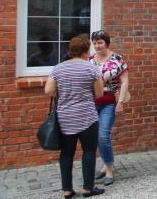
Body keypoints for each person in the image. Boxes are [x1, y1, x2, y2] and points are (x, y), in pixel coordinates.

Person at [44, 35, 105, 198]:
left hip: (65, 118)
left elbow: (48, 91)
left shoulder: (58, 68)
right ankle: (87, 188)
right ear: (86, 51)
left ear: (71, 51)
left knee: (66, 153)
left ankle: (67, 190)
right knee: (89, 152)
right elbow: (99, 93)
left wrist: (64, 93)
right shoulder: (91, 68)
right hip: (87, 117)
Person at [89, 30, 129, 186]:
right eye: (95, 43)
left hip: (109, 102)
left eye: (100, 42)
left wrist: (120, 102)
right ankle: (105, 164)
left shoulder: (117, 59)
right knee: (96, 136)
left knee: (103, 135)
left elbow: (125, 81)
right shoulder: (90, 60)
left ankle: (109, 169)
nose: (97, 46)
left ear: (107, 43)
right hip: (91, 103)